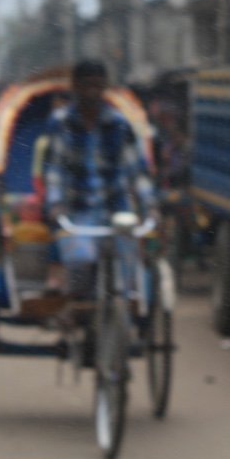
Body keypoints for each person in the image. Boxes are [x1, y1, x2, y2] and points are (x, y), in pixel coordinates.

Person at [40, 60, 157, 291]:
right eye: (86, 85)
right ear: (75, 86)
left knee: (130, 276)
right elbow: (53, 170)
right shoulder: (60, 123)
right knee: (80, 264)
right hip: (76, 209)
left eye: (98, 85)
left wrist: (150, 206)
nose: (92, 91)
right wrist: (54, 203)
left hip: (117, 209)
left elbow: (137, 172)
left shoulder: (120, 124)